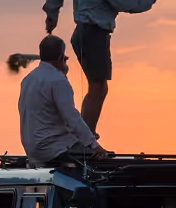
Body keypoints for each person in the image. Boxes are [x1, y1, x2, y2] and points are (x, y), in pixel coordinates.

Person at [42, 0, 170, 135]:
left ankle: (84, 138)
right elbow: (125, 4)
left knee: (97, 87)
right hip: (94, 35)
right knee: (98, 88)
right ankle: (85, 141)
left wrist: (52, 12)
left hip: (83, 34)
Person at [18, 35, 110, 167]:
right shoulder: (58, 80)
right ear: (62, 56)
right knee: (104, 162)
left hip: (33, 151)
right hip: (54, 149)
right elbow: (72, 118)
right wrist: (94, 145)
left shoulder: (28, 79)